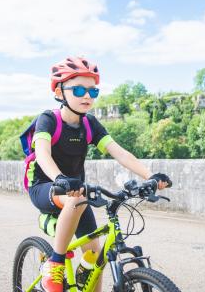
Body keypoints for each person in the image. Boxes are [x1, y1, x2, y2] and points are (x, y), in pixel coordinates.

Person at [28, 56, 172, 292]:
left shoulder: (90, 124)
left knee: (95, 256)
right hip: (45, 186)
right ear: (59, 91)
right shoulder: (48, 120)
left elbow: (120, 153)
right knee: (76, 199)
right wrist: (59, 178)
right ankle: (55, 264)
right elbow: (43, 154)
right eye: (79, 89)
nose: (87, 96)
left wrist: (150, 176)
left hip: (77, 192)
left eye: (92, 91)